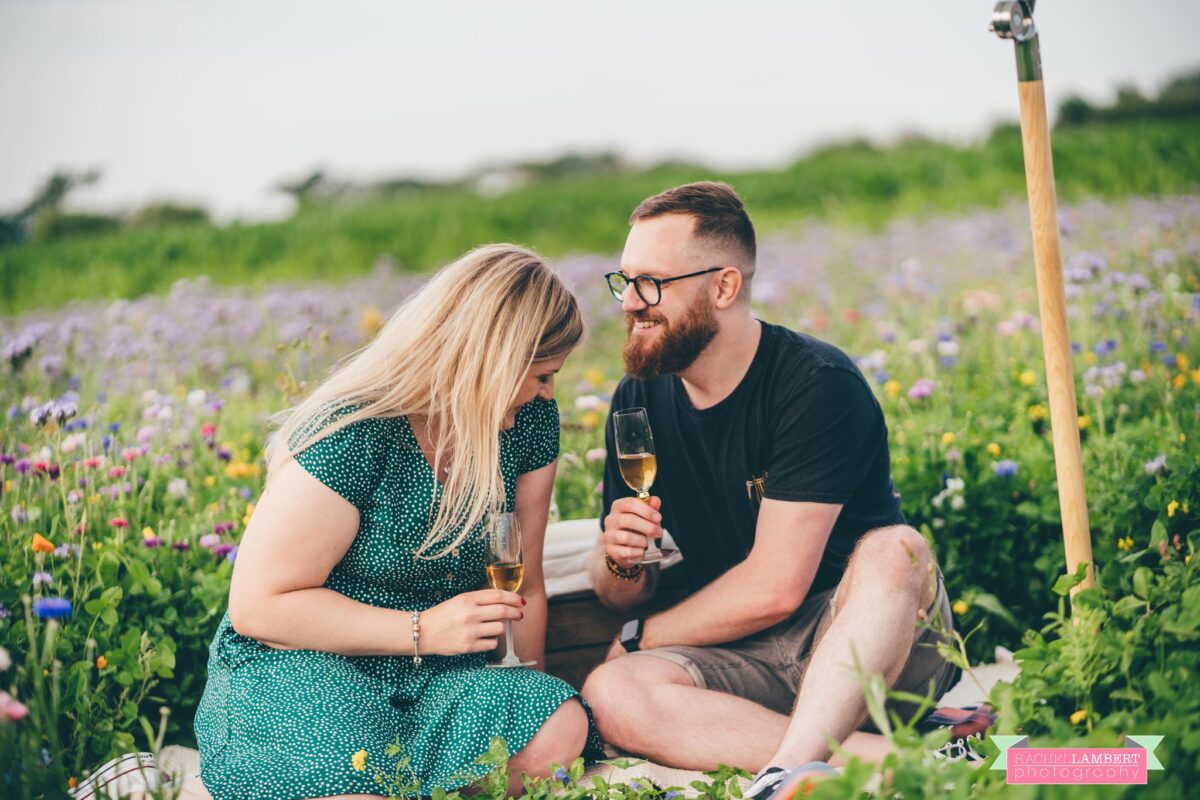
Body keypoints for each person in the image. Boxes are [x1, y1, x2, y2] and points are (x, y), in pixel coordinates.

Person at [581, 182, 959, 799]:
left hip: (862, 635)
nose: (629, 302)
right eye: (623, 281)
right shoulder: (637, 402)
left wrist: (645, 638)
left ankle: (783, 775)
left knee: (898, 548)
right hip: (747, 657)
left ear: (724, 287)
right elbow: (622, 592)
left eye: (651, 283)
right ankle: (903, 759)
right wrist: (619, 559)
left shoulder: (816, 384)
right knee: (611, 691)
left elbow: (776, 588)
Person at [194, 244, 602, 800]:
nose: (548, 393)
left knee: (558, 723)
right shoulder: (357, 428)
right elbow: (258, 605)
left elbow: (524, 582)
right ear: (493, 362)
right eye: (542, 375)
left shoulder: (527, 420)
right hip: (307, 666)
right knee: (351, 781)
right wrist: (423, 631)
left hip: (437, 676)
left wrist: (520, 681)